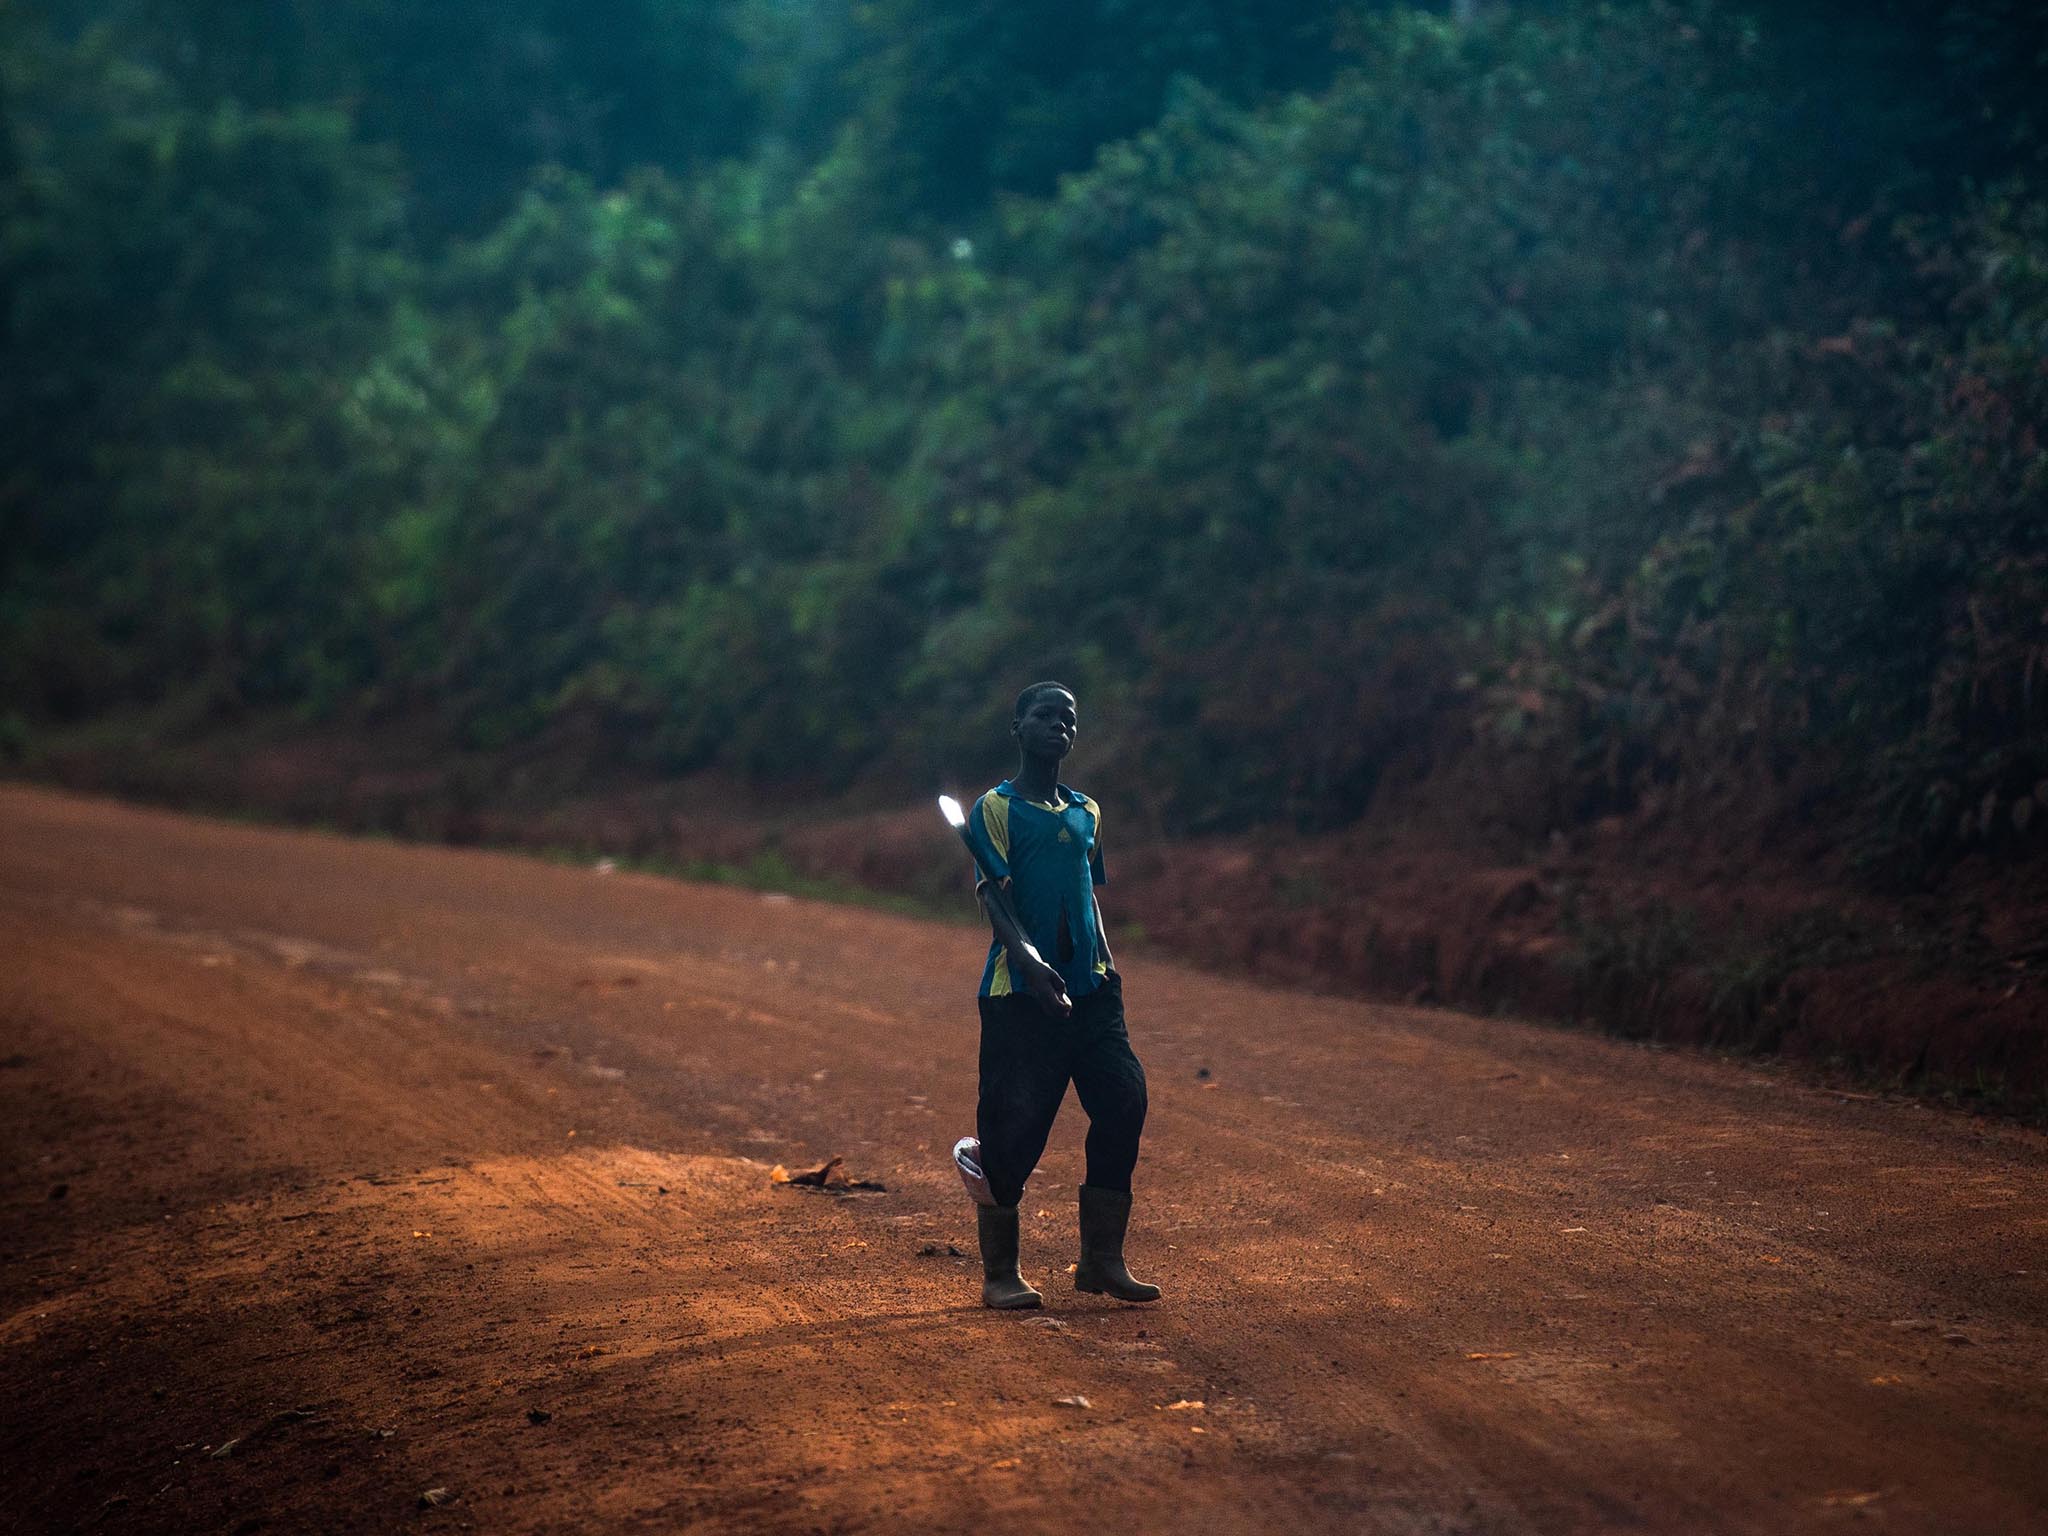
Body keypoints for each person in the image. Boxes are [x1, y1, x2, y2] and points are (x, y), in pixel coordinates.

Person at [957, 681, 1160, 1310]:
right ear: (1017, 727)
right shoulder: (994, 807)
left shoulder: (1087, 811)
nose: (1059, 727)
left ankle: (1101, 1261)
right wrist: (1030, 962)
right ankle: (1000, 1274)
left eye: (1069, 719)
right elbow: (995, 895)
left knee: (1124, 1102)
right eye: (1045, 716)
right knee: (1016, 1129)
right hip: (1020, 993)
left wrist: (1106, 965)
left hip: (1094, 991)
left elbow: (1087, 893)